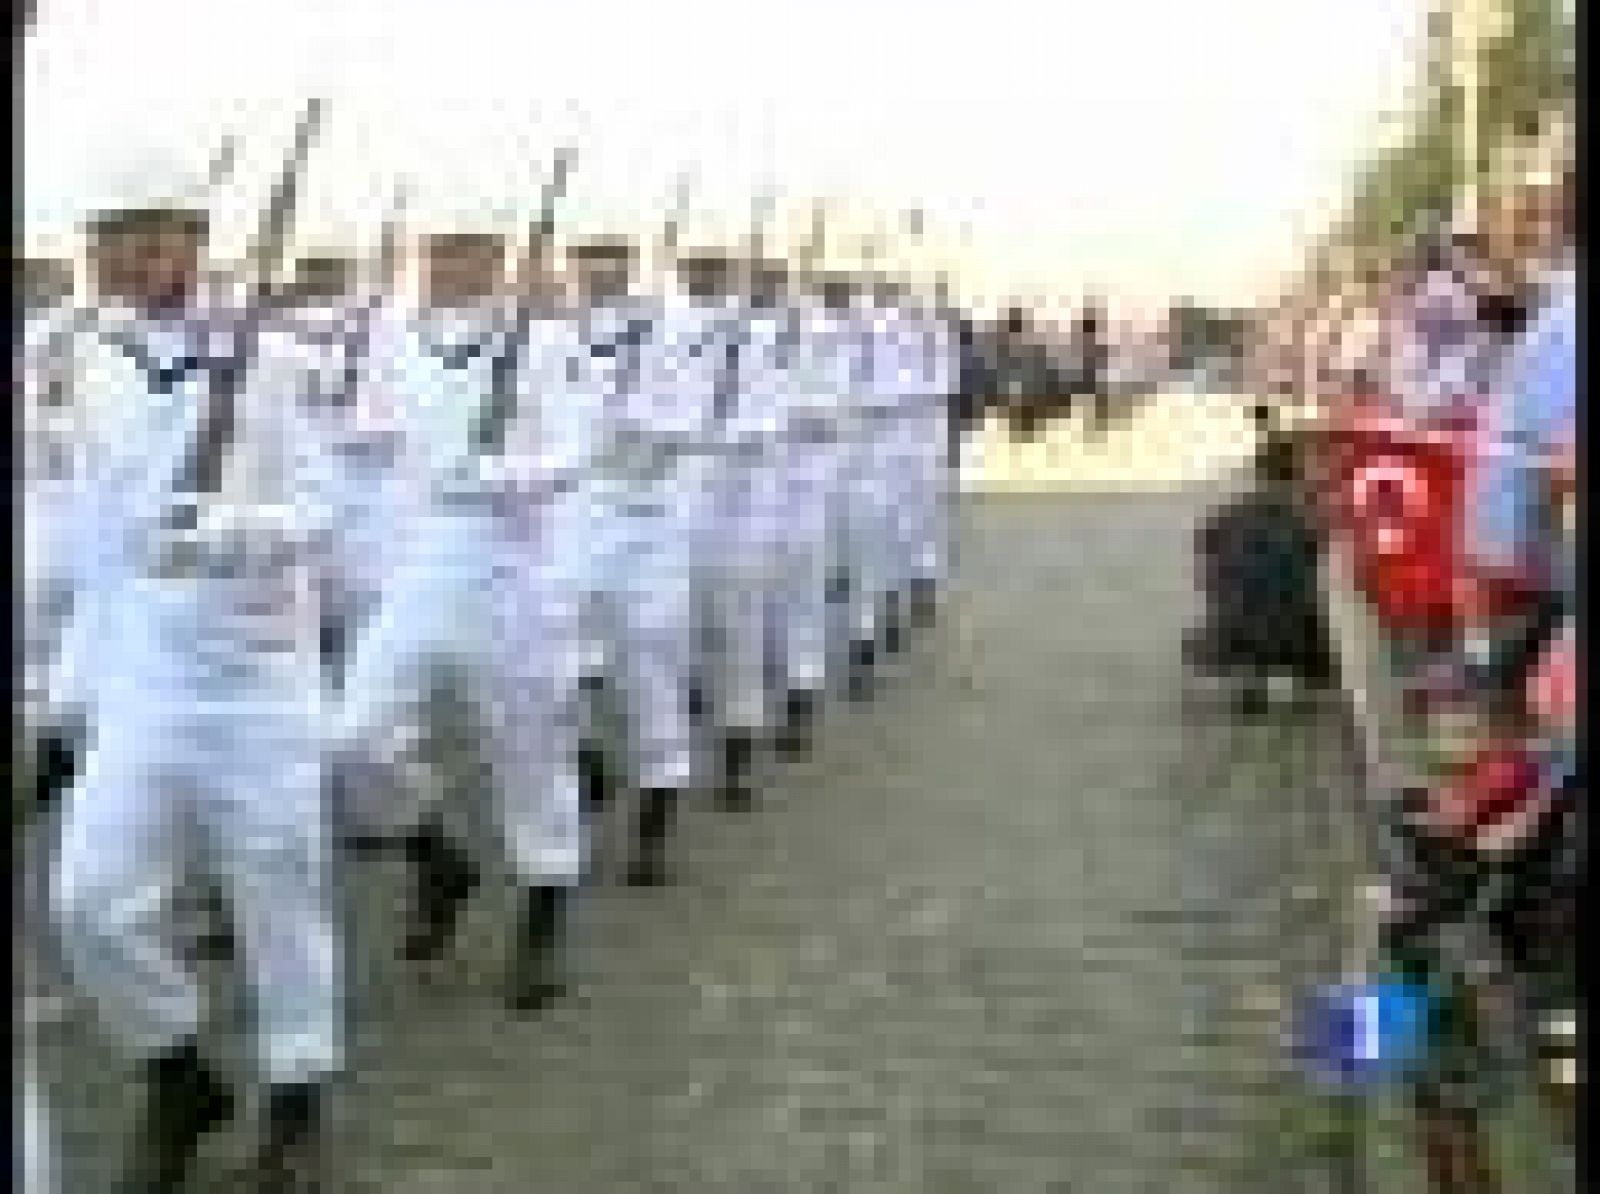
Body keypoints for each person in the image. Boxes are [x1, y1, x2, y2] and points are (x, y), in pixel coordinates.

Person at [40, 200, 345, 1193]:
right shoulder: (89, 364)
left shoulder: (276, 359)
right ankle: (176, 1072)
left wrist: (235, 532)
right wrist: (73, 689)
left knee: (276, 898)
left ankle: (298, 1092)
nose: (126, 252)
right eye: (111, 234)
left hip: (256, 678)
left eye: (150, 232)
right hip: (143, 677)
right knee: (88, 900)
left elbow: (327, 504)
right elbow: (94, 536)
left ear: (192, 243)